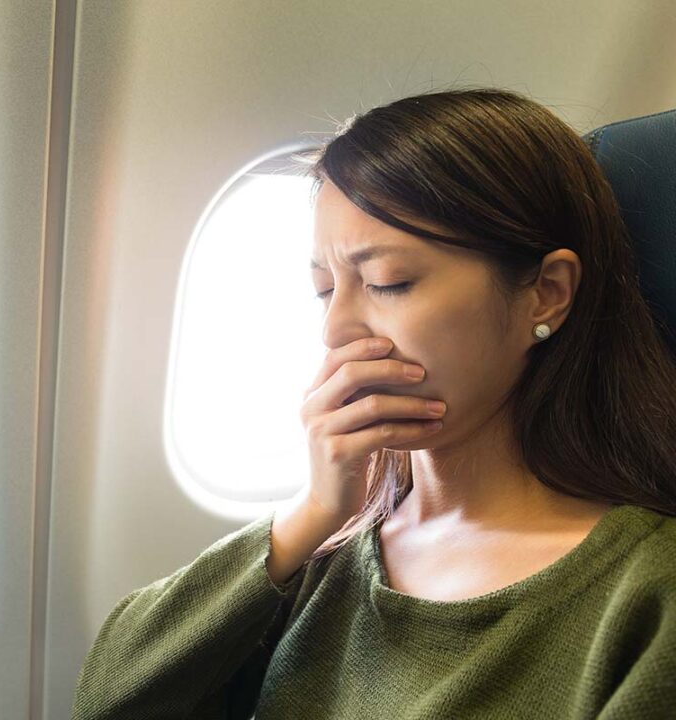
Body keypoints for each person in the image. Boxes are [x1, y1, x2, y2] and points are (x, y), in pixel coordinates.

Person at [70, 87, 676, 719]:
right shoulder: (322, 552)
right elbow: (107, 702)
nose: (336, 331)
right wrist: (309, 514)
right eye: (324, 289)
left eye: (389, 282)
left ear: (545, 294)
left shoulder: (647, 594)